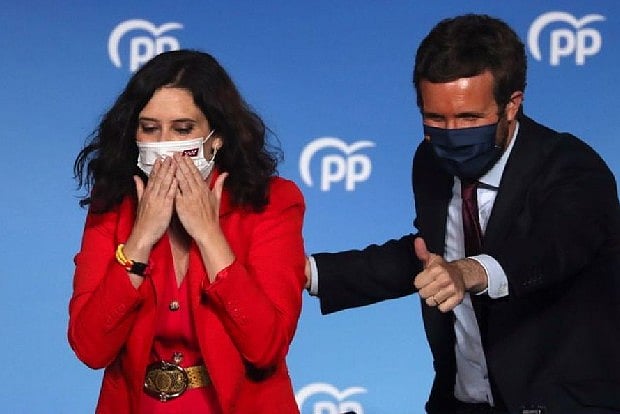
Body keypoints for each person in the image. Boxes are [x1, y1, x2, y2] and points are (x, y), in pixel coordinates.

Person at [307, 14, 620, 414]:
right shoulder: (430, 162)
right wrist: (309, 272)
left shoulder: (571, 165)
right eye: (435, 118)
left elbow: (550, 249)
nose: (451, 133)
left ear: (512, 105)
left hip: (558, 402)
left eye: (469, 118)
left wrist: (468, 272)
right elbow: (428, 255)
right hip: (462, 400)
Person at [69, 50, 306, 414]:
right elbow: (90, 348)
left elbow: (266, 347)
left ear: (217, 136)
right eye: (150, 128)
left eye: (182, 129)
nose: (164, 145)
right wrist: (139, 241)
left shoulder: (272, 203)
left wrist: (210, 236)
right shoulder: (113, 204)